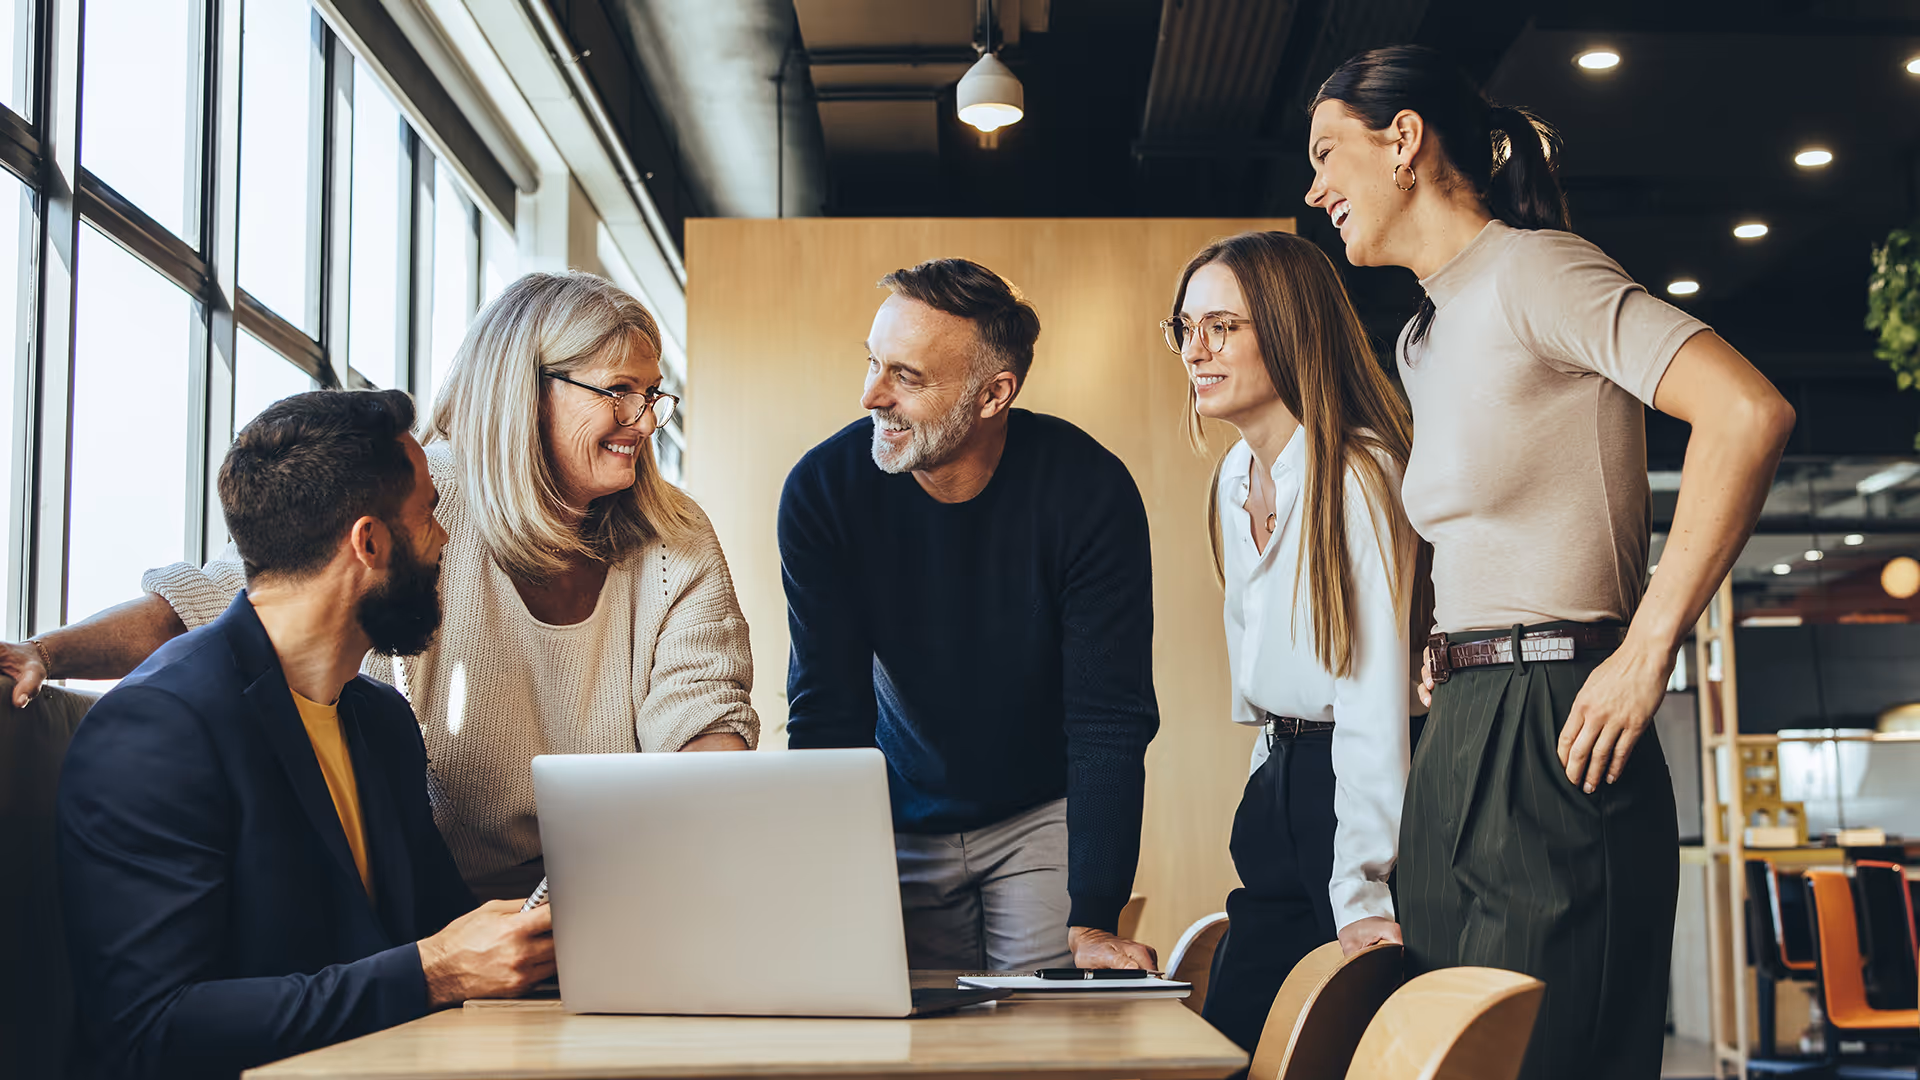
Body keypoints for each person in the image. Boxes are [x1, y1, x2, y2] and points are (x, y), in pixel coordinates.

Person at [1304, 46, 1795, 1080]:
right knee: (1450, 1054)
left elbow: (1747, 414)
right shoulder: (1422, 339)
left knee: (1549, 1056)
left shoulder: (1539, 270)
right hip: (1465, 727)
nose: (1315, 190)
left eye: (1327, 154)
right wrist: (1446, 637)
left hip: (1564, 715)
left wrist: (1649, 647)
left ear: (1404, 142)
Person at [14, 272, 756, 900]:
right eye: (619, 391)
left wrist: (588, 900)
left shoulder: (672, 536)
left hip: (612, 892)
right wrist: (46, 651)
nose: (644, 420)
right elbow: (222, 604)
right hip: (431, 910)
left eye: (654, 394)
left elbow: (704, 729)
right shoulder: (422, 501)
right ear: (527, 393)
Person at [58, 390, 555, 1080]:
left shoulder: (381, 723)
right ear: (369, 542)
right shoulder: (157, 727)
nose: (445, 539)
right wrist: (433, 973)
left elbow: (446, 933)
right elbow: (151, 1028)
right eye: (429, 514)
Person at [779, 258, 1160, 971]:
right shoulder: (822, 493)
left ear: (994, 394)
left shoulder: (1088, 491)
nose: (870, 395)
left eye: (906, 376)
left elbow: (1109, 716)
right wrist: (826, 886)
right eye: (873, 363)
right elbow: (826, 710)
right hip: (890, 813)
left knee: (1039, 1040)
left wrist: (1095, 915)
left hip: (1039, 814)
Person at [1166, 231, 1422, 1057]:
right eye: (1184, 329)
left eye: (1220, 328)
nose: (1195, 351)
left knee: (1354, 1049)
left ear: (1286, 328)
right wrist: (1262, 785)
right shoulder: (1235, 477)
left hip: (1352, 793)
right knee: (1236, 1043)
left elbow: (1374, 697)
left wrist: (1362, 888)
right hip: (1280, 779)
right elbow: (1260, 672)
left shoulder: (1359, 472)